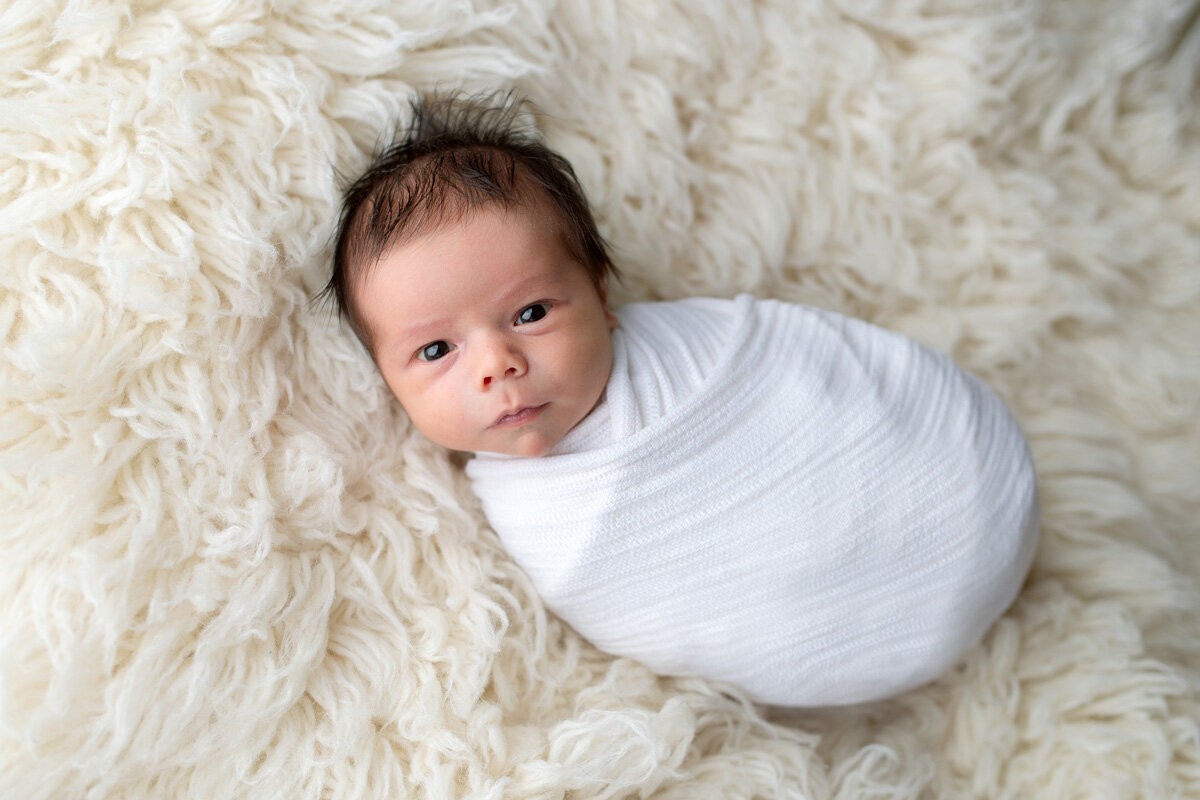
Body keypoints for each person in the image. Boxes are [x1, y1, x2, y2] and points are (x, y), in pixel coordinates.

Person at [320, 92, 1040, 707]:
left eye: (531, 312)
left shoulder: (705, 361)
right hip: (871, 640)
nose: (498, 364)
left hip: (970, 490)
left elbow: (808, 392)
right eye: (437, 351)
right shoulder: (532, 522)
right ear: (386, 378)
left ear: (600, 296)